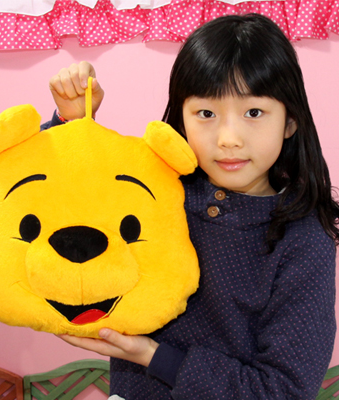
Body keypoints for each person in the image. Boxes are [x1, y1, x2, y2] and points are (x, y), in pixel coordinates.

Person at [43, 14, 339, 399]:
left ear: (290, 121)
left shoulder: (304, 238)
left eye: (253, 113)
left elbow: (284, 390)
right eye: (206, 114)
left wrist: (153, 356)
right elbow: (63, 210)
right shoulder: (157, 191)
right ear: (181, 119)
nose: (228, 138)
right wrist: (72, 122)